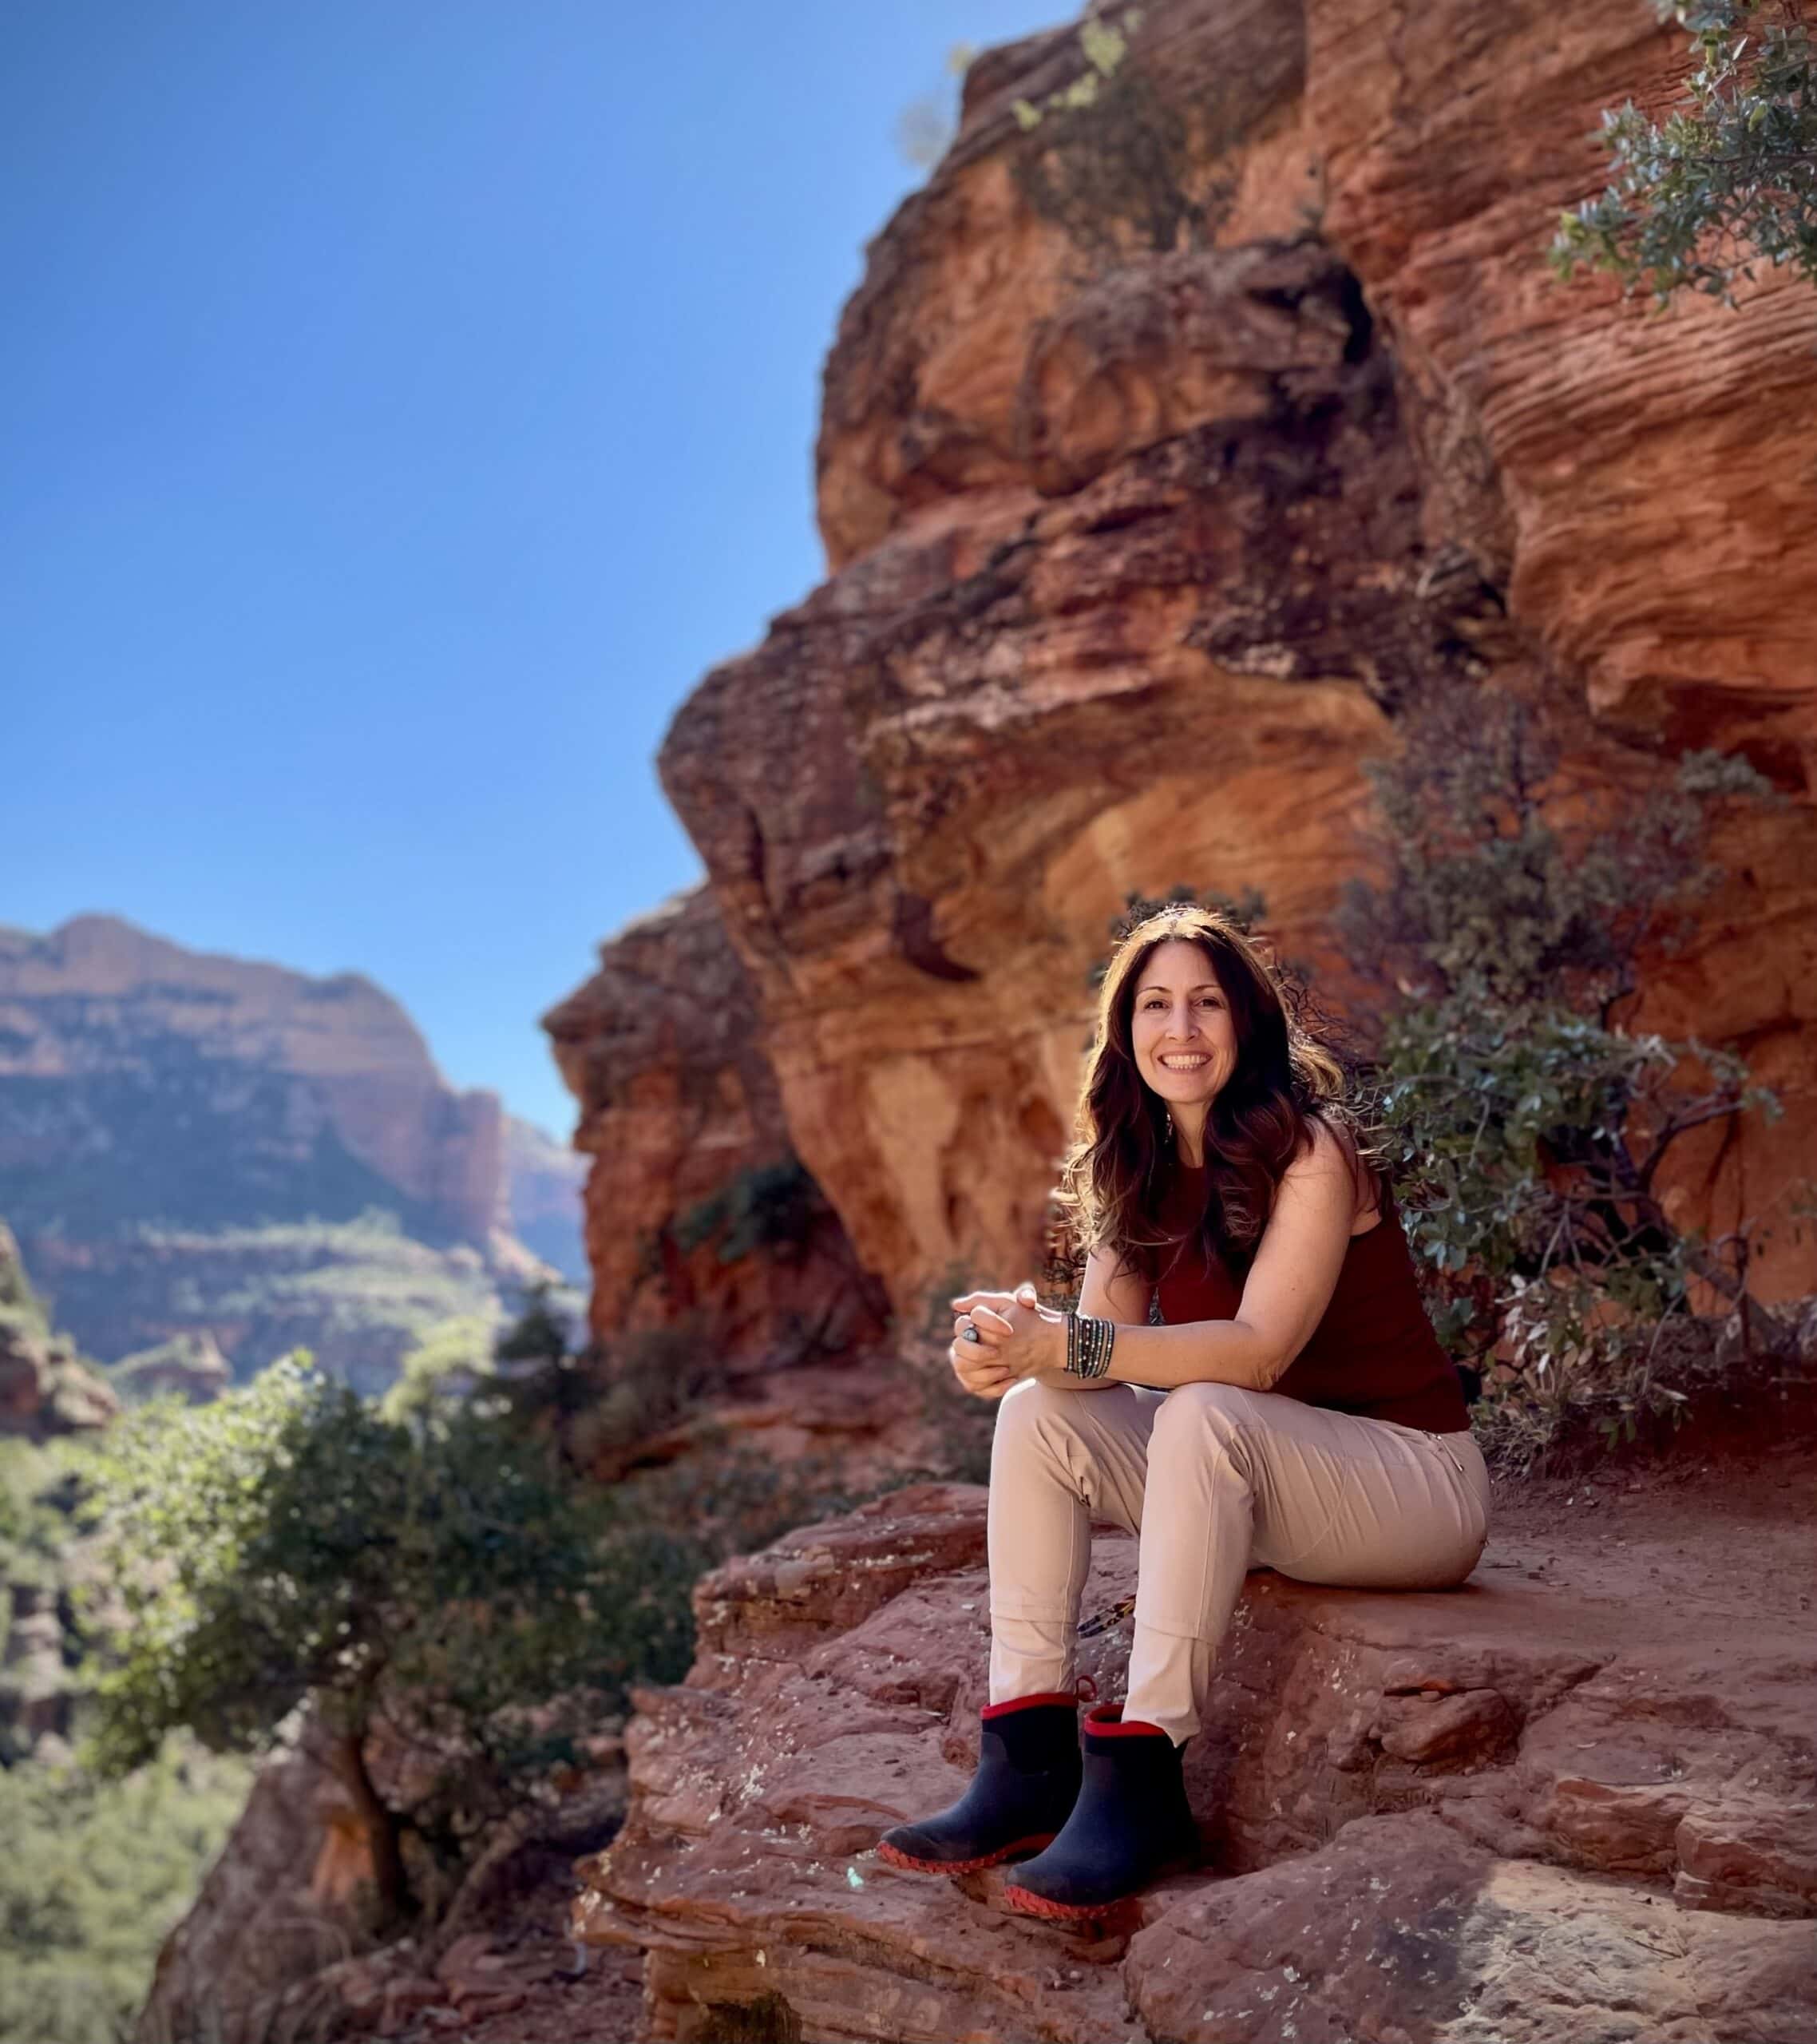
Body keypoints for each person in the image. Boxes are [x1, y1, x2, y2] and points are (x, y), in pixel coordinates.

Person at [876, 903, 1490, 1923]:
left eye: (1205, 1003)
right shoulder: (1142, 1166)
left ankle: (1147, 1777)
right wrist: (1012, 1341)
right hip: (1277, 1477)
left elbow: (1257, 1355)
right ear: (1124, 1036)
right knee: (1037, 1414)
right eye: (1154, 1005)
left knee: (1205, 1405)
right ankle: (1026, 1760)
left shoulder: (1312, 1151)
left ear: (1244, 1022)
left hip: (1412, 1486)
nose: (1181, 1029)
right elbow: (1092, 1364)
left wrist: (1069, 1345)